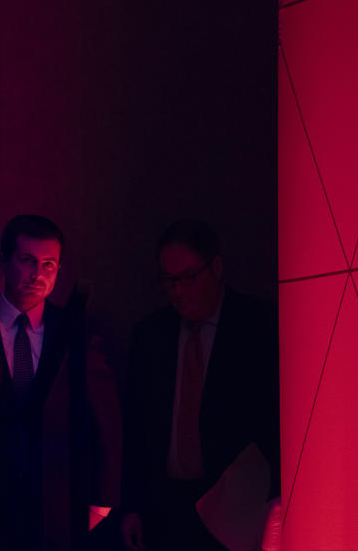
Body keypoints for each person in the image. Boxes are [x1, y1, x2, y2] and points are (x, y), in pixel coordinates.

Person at [120, 220, 280, 550]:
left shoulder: (258, 326)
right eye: (169, 280)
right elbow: (136, 426)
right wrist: (131, 505)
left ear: (216, 268)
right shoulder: (151, 334)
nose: (179, 290)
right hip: (164, 506)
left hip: (235, 507)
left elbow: (275, 421)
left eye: (189, 277)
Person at [0, 214, 120, 550]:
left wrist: (102, 497)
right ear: (4, 261)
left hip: (55, 497)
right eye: (27, 261)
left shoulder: (76, 329)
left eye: (49, 264)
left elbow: (105, 414)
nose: (37, 274)